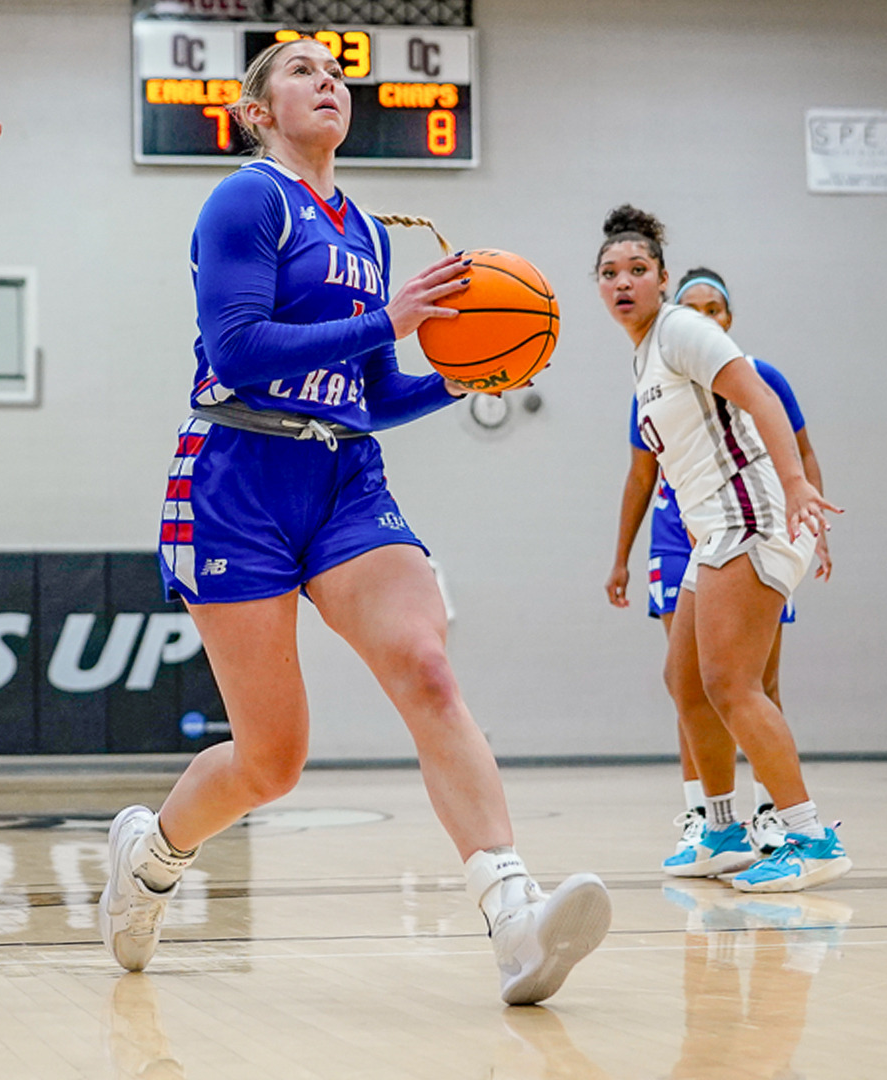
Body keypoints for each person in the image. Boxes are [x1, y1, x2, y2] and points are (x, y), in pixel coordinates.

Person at [97, 37, 612, 1006]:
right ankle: (151, 857)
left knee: (426, 666)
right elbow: (239, 351)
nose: (328, 79)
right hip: (237, 475)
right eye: (300, 70)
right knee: (271, 760)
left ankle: (514, 918)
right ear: (256, 110)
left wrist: (464, 376)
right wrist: (397, 319)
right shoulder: (247, 200)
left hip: (343, 472)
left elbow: (371, 393)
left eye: (335, 72)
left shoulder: (369, 233)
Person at [596, 205, 850, 894]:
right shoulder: (645, 357)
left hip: (752, 517)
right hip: (715, 529)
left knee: (737, 685)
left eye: (638, 271)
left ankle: (808, 834)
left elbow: (761, 398)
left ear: (663, 281)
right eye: (610, 273)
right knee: (685, 681)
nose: (624, 282)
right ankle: (720, 829)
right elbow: (644, 471)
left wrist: (797, 487)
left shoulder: (682, 330)